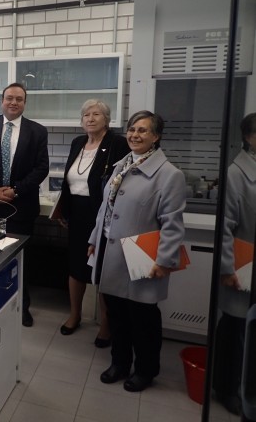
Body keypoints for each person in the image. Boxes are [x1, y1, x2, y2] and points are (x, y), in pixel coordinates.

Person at [87, 110, 186, 392]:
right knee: (116, 313)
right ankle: (119, 362)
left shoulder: (169, 175)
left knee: (142, 318)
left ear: (156, 137)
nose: (135, 135)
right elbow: (105, 210)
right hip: (111, 249)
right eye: (132, 129)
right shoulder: (121, 166)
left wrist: (164, 260)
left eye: (143, 131)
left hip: (143, 256)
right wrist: (95, 239)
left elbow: (172, 224)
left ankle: (145, 370)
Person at [0, 82, 49, 327]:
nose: (14, 102)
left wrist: (16, 190)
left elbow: (41, 169)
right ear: (2, 100)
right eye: (9, 98)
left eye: (19, 99)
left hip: (22, 205)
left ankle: (21, 307)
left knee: (19, 259)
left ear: (24, 103)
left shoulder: (37, 131)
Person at [58, 100, 130, 346]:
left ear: (106, 119)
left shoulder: (117, 143)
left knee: (101, 269)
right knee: (75, 267)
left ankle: (106, 327)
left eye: (96, 114)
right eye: (86, 114)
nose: (90, 118)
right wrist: (64, 212)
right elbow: (70, 181)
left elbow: (121, 183)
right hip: (76, 213)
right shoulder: (78, 143)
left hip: (101, 214)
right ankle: (75, 315)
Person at [212, 112, 256, 415]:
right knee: (236, 328)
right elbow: (225, 225)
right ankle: (228, 389)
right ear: (250, 137)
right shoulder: (237, 173)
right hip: (242, 265)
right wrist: (227, 267)